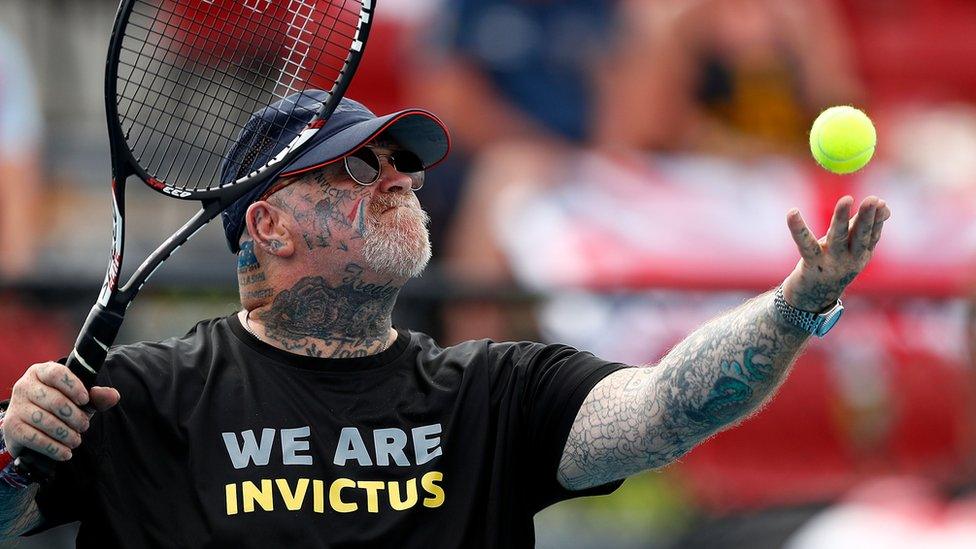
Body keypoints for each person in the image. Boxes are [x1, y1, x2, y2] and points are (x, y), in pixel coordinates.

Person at [0, 93, 891, 548]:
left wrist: (794, 306)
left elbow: (664, 408)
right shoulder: (143, 397)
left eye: (405, 163)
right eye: (358, 168)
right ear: (266, 224)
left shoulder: (495, 391)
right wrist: (14, 454)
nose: (403, 178)